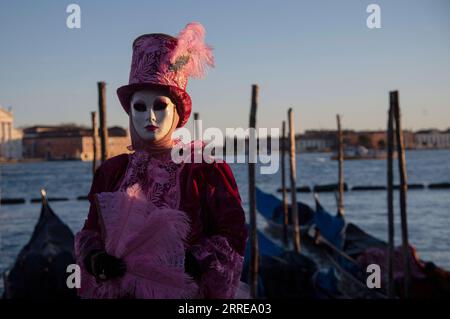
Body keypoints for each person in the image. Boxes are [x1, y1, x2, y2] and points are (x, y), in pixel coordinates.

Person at [74, 22, 248, 299]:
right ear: (130, 112)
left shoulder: (204, 169)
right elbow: (91, 231)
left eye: (159, 106)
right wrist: (96, 258)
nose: (150, 117)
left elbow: (233, 234)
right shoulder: (112, 171)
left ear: (176, 112)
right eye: (140, 107)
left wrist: (192, 262)